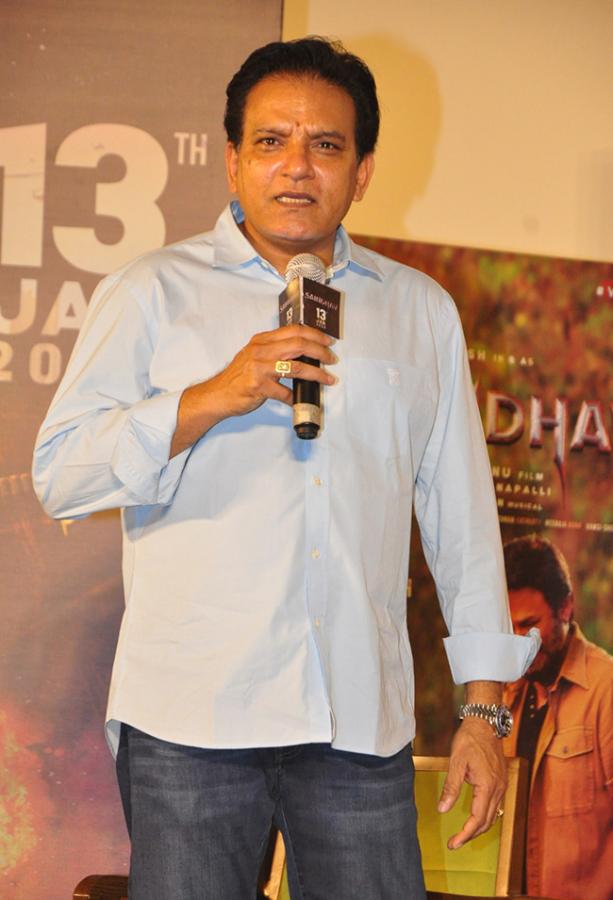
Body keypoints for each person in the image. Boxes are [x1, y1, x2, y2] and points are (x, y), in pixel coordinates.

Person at [33, 37, 538, 899]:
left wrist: (484, 714)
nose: (296, 166)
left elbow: (460, 523)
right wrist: (210, 396)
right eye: (270, 141)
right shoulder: (151, 291)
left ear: (362, 171)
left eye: (325, 144)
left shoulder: (418, 311)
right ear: (232, 161)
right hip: (191, 721)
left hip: (356, 723)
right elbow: (61, 474)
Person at [503, 535, 612, 900]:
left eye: (529, 624)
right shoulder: (506, 692)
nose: (520, 641)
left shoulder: (606, 689)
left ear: (565, 608)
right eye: (510, 627)